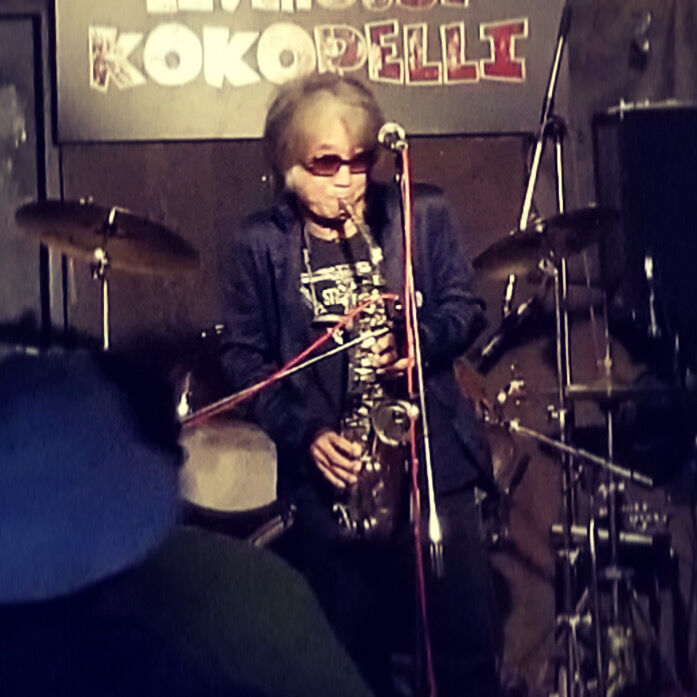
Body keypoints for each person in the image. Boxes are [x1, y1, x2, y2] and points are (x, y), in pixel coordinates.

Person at [221, 73, 500, 696]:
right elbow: (243, 358)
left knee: (465, 659)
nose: (347, 180)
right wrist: (305, 433)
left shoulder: (419, 213)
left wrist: (417, 342)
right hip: (332, 487)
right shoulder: (260, 244)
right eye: (326, 163)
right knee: (347, 668)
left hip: (434, 473)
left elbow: (465, 307)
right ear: (287, 163)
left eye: (360, 160)